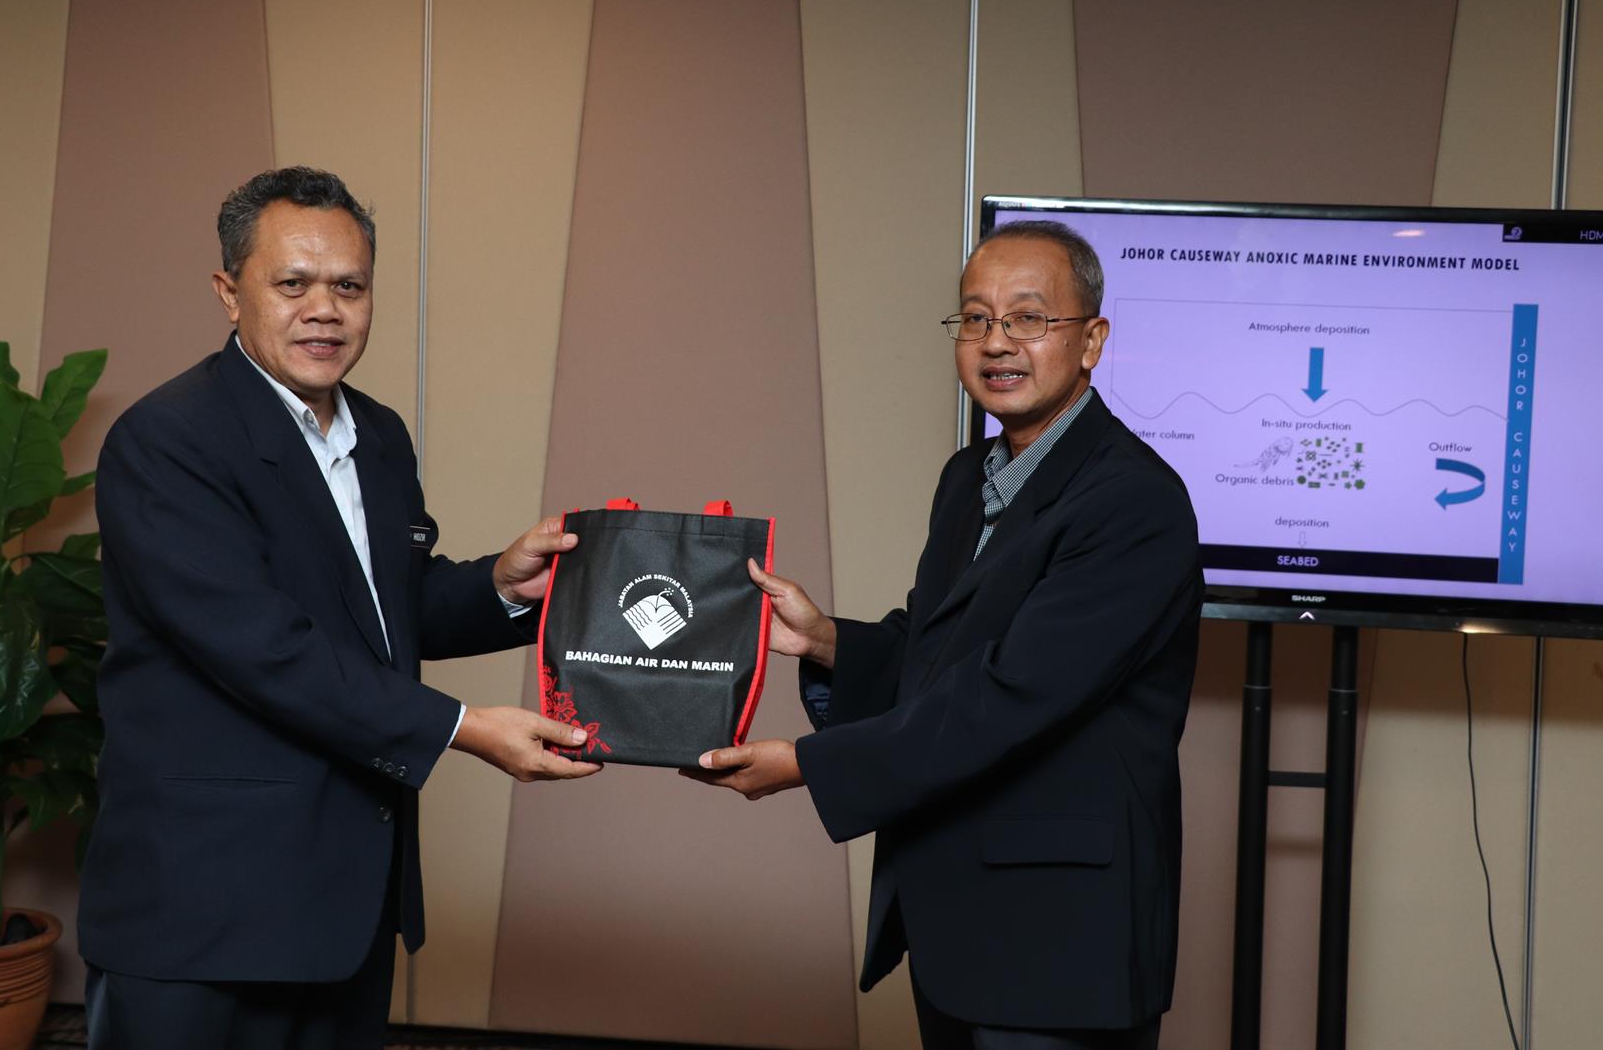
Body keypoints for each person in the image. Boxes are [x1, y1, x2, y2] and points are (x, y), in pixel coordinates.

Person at [78, 166, 599, 1048]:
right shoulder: (169, 440)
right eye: (293, 284)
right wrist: (464, 727)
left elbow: (381, 611)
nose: (324, 310)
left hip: (346, 894)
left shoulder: (378, 433)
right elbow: (262, 647)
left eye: (349, 287)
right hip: (204, 905)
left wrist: (503, 586)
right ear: (229, 291)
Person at [684, 220, 1201, 1049]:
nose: (997, 342)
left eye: (1029, 318)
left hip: (1059, 940)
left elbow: (1010, 694)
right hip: (956, 920)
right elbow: (945, 646)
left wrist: (807, 765)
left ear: (1092, 340)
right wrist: (824, 639)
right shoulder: (969, 477)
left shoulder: (1133, 501)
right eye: (976, 318)